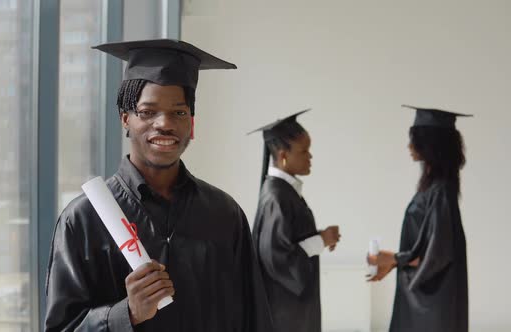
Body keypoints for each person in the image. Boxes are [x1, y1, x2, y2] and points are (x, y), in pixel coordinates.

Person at [45, 39, 273, 332]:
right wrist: (125, 314)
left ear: (191, 123)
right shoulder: (84, 219)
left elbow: (255, 318)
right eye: (148, 112)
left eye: (179, 112)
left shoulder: (224, 214)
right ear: (125, 118)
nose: (164, 123)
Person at [368, 104, 470, 332]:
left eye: (415, 140)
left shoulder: (440, 192)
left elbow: (436, 254)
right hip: (429, 295)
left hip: (433, 301)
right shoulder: (435, 188)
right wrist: (394, 262)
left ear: (430, 146)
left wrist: (393, 258)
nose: (409, 146)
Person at [250, 109, 341, 332]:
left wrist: (320, 238)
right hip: (285, 308)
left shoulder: (283, 192)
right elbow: (275, 255)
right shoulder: (276, 196)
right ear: (283, 156)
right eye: (304, 151)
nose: (310, 157)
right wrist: (320, 240)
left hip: (291, 305)